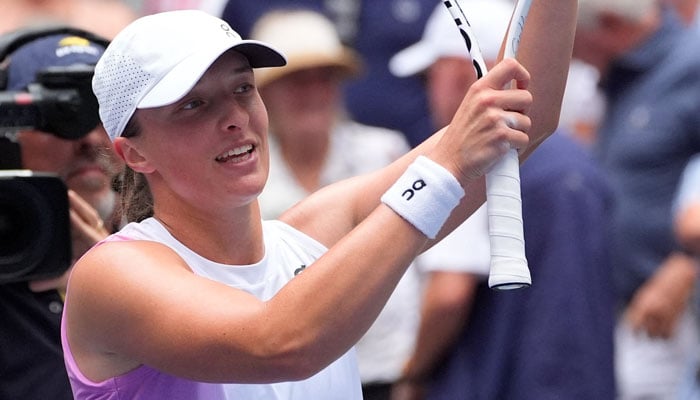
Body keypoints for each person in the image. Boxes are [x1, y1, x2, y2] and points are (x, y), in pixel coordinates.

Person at [62, 4, 577, 399]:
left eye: (242, 88)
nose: (235, 117)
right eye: (193, 105)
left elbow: (528, 116)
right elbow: (280, 343)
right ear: (132, 153)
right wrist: (444, 170)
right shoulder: (114, 274)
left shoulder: (311, 231)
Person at [389, 2, 616, 399]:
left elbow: (448, 295)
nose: (429, 91)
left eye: (431, 74)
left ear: (463, 73)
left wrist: (410, 376)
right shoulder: (576, 163)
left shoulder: (467, 161)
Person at [574, 0, 700, 398]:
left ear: (610, 23)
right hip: (631, 308)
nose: (568, 55)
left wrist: (687, 264)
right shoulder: (623, 74)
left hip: (678, 310)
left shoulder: (691, 66)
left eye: (571, 40)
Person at [0, 27, 121, 399]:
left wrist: (116, 284)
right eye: (61, 115)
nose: (90, 139)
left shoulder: (185, 254)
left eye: (108, 112)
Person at [220, 0, 439, 148]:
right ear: (264, 90)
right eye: (298, 80)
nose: (313, 92)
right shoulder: (243, 161)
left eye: (325, 77)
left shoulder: (383, 153)